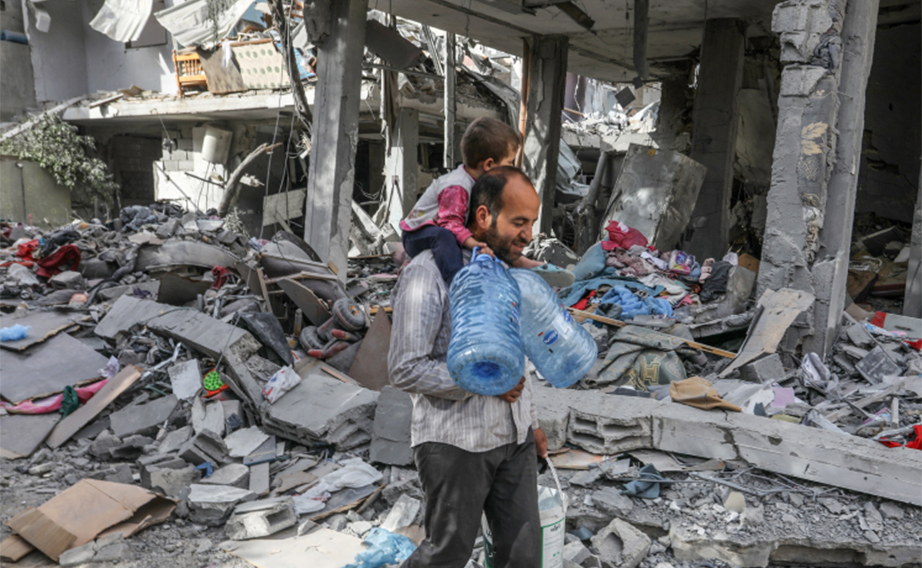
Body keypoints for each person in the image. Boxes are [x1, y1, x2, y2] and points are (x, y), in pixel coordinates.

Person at [389, 166, 548, 568]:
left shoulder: (508, 274)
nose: (528, 234)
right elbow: (405, 368)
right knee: (446, 555)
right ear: (482, 217)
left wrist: (532, 421)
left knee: (524, 557)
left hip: (514, 439)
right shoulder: (426, 274)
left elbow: (517, 356)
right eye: (518, 222)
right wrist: (483, 383)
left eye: (531, 223)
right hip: (455, 443)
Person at [400, 117, 543, 284]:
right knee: (444, 236)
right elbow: (450, 224)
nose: (512, 167)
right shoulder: (457, 186)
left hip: (440, 229)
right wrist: (475, 244)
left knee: (493, 233)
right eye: (510, 162)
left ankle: (520, 262)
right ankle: (457, 280)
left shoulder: (474, 183)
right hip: (417, 235)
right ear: (489, 164)